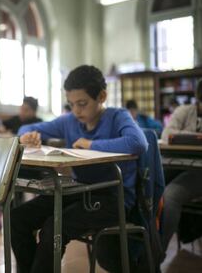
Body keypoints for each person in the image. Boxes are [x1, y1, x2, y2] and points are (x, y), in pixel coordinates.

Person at [10, 65, 148, 273]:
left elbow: (138, 143)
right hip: (78, 190)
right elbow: (26, 127)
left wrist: (92, 145)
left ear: (101, 96)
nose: (76, 110)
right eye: (71, 104)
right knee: (17, 218)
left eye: (82, 104)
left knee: (53, 228)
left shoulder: (117, 116)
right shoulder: (69, 121)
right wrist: (26, 136)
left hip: (113, 197)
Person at [160, 79, 202, 252]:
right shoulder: (185, 110)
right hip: (178, 165)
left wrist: (183, 136)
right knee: (149, 188)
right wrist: (195, 136)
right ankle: (140, 249)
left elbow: (174, 135)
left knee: (170, 196)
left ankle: (155, 258)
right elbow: (167, 134)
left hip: (198, 172)